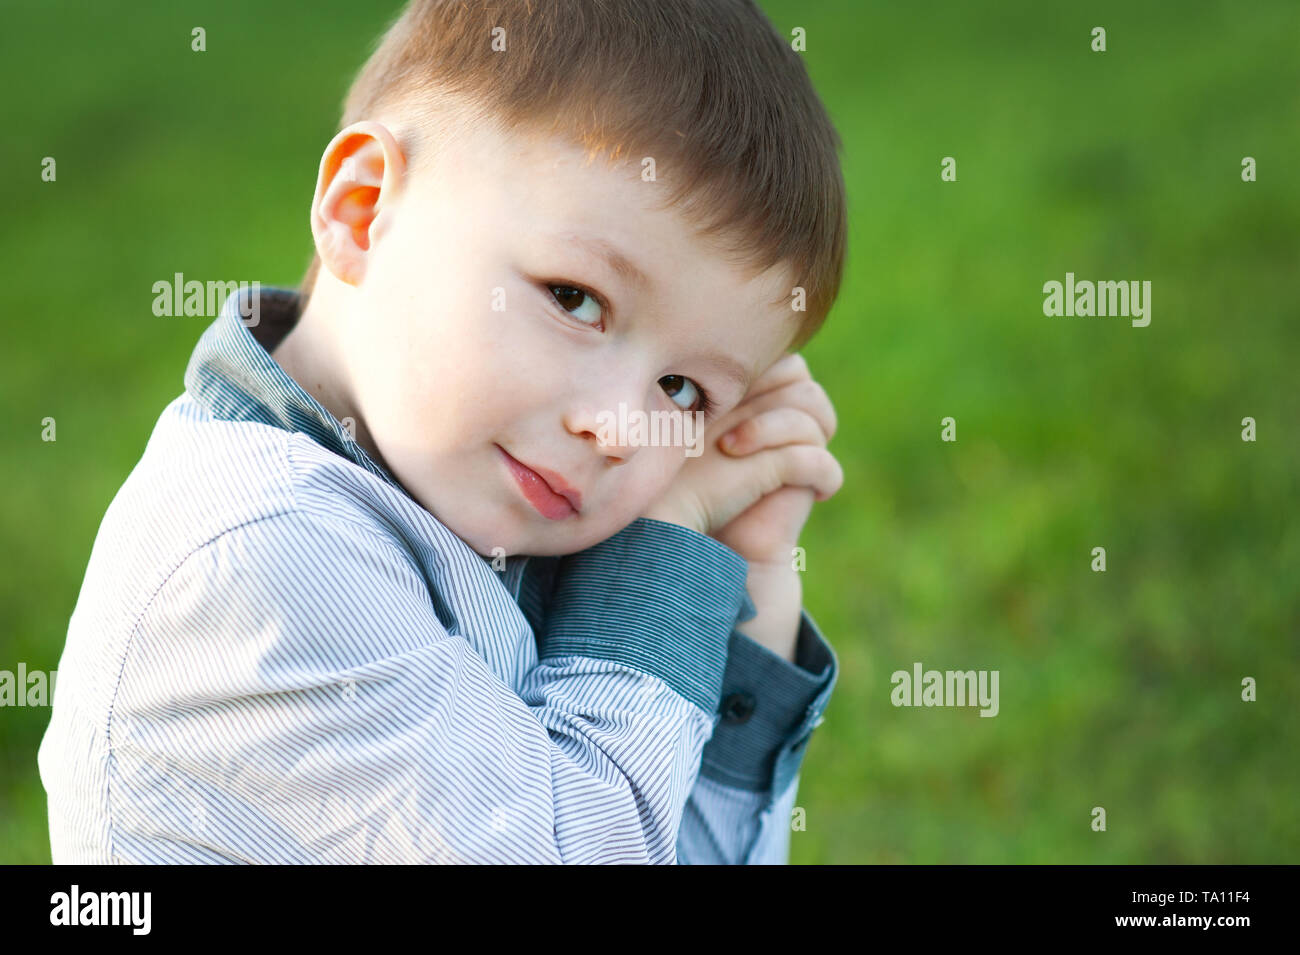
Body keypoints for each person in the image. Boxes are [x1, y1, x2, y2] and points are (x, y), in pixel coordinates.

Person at [39, 0, 848, 864]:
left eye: (683, 389)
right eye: (575, 299)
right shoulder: (264, 559)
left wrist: (753, 577)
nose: (616, 428)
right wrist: (658, 572)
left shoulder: (474, 505)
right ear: (363, 210)